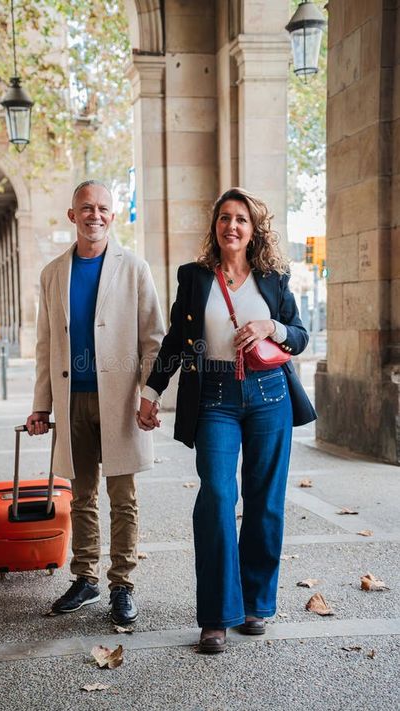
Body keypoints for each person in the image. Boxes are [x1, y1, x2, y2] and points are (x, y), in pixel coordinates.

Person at [138, 187, 316, 653]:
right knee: (217, 495)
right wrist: (151, 391)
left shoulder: (273, 277)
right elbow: (177, 338)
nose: (231, 226)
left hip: (268, 394)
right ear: (215, 227)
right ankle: (217, 614)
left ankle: (255, 604)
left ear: (253, 230)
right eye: (224, 218)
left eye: (240, 219)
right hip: (214, 395)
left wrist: (269, 327)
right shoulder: (195, 278)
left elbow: (299, 334)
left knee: (265, 499)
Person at [26, 180, 165, 625]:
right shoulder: (53, 274)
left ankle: (122, 584)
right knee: (81, 495)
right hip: (72, 400)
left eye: (103, 208)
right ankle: (85, 579)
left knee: (122, 496)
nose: (95, 215)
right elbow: (45, 344)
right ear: (72, 215)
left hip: (121, 400)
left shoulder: (135, 269)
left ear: (112, 215)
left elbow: (153, 341)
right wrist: (40, 405)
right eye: (86, 208)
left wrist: (149, 394)